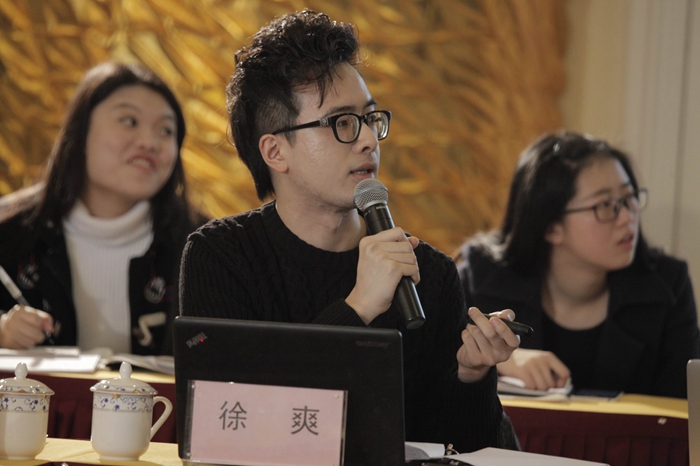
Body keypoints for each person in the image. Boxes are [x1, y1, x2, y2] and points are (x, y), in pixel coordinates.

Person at [179, 10, 520, 453]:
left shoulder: (428, 273)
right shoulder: (221, 257)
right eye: (341, 122)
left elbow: (463, 451)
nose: (368, 140)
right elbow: (230, 426)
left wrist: (472, 376)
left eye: (370, 117)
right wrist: (358, 307)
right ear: (275, 151)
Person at [456, 131, 700, 399]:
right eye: (605, 205)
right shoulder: (480, 277)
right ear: (551, 227)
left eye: (629, 197)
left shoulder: (667, 284)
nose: (627, 217)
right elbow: (438, 380)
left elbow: (682, 406)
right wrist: (502, 361)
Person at [0, 61, 203, 355]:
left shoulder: (205, 247)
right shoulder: (10, 233)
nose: (150, 142)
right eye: (129, 121)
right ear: (80, 132)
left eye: (166, 130)